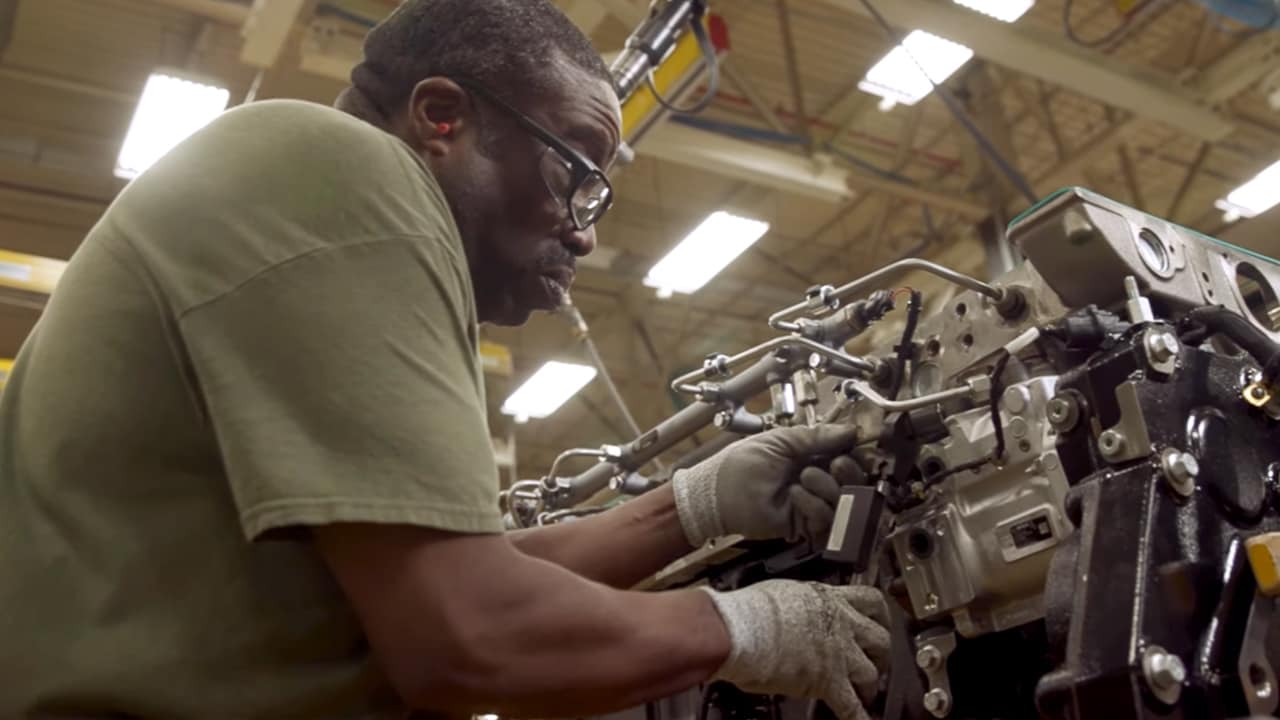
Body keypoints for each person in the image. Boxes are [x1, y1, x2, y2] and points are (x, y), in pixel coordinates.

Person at [0, 1, 891, 718]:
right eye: (574, 172)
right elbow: (470, 636)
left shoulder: (299, 194)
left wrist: (693, 507)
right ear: (441, 117)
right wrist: (747, 628)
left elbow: (448, 574)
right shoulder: (345, 172)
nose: (583, 231)